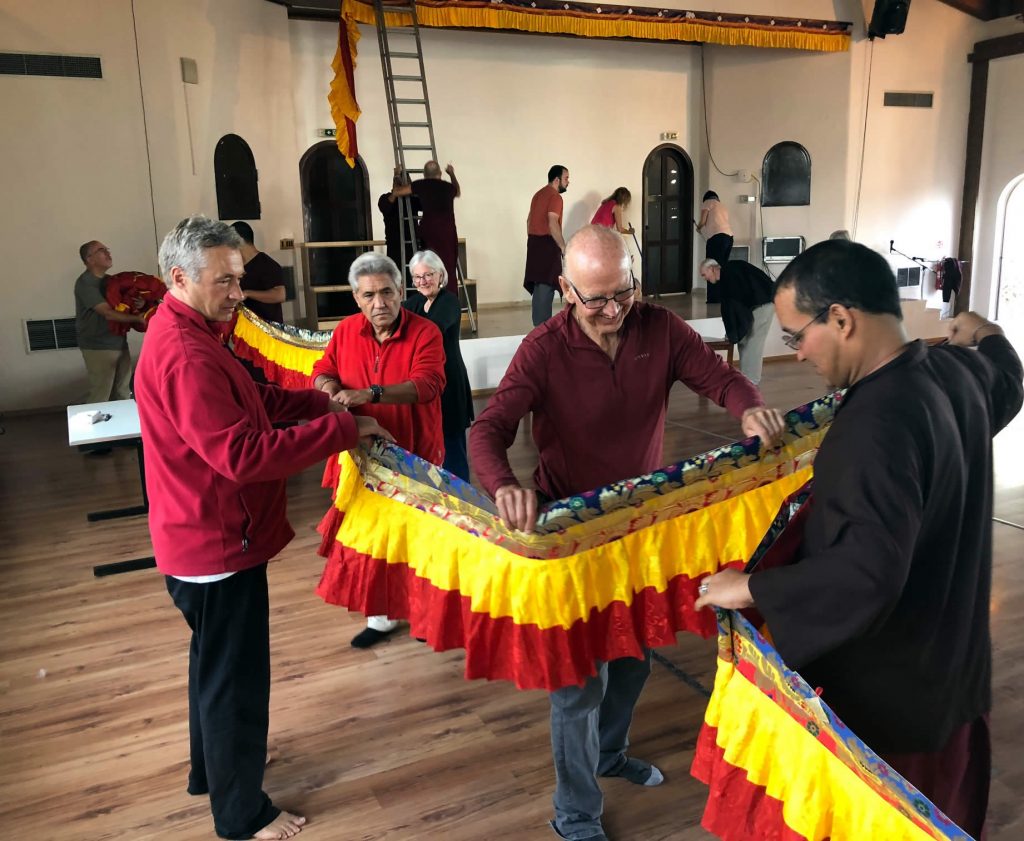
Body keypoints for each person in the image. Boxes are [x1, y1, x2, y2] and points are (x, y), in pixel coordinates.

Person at [694, 239, 1024, 841]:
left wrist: (751, 588)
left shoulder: (871, 425)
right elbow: (1010, 374)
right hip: (955, 684)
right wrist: (988, 329)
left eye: (797, 336)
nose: (797, 354)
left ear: (842, 318)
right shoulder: (957, 371)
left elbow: (865, 573)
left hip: (891, 715)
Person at [471, 224, 786, 841]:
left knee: (635, 662)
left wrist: (747, 403)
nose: (613, 310)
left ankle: (610, 754)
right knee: (577, 687)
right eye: (596, 299)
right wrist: (503, 483)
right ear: (564, 290)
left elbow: (717, 377)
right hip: (571, 535)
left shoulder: (660, 329)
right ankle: (575, 814)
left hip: (640, 530)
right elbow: (488, 428)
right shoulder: (541, 348)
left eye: (623, 293)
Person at [134, 215, 392, 841]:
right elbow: (242, 454)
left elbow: (255, 400)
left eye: (239, 278)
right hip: (216, 543)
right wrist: (342, 430)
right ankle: (242, 813)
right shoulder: (186, 354)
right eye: (224, 281)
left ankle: (213, 770)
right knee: (235, 682)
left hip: (201, 535)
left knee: (212, 666)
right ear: (179, 277)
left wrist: (323, 402)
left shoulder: (192, 329)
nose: (237, 293)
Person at [311, 252, 446, 648]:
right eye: (369, 295)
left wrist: (370, 394)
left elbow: (429, 384)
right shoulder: (346, 330)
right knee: (372, 539)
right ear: (356, 298)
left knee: (418, 540)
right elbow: (323, 369)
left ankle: (424, 617)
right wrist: (328, 389)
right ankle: (381, 617)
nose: (379, 303)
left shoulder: (425, 332)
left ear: (401, 292)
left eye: (387, 292)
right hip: (363, 458)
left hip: (415, 454)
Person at [404, 249, 474, 481]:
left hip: (449, 382)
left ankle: (464, 497)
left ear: (441, 275)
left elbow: (430, 331)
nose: (423, 281)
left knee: (453, 445)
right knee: (428, 442)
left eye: (428, 275)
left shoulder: (449, 301)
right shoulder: (414, 303)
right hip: (425, 382)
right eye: (417, 277)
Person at [74, 240, 146, 405]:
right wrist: (138, 318)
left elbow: (125, 305)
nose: (108, 253)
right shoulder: (86, 283)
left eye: (107, 249)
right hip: (97, 345)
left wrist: (139, 304)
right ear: (90, 259)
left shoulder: (111, 281)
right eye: (101, 250)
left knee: (122, 391)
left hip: (118, 341)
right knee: (101, 394)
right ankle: (95, 430)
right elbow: (107, 313)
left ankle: (121, 430)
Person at [698, 258, 775, 385]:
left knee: (753, 344)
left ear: (711, 269)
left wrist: (733, 333)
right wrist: (734, 333)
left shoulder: (729, 274)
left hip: (763, 305)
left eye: (703, 274)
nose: (704, 278)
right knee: (744, 342)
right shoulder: (728, 274)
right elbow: (733, 307)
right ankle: (745, 379)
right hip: (757, 303)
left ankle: (751, 382)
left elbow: (735, 306)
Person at [392, 161, 460, 294]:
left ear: (424, 175)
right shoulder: (447, 187)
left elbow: (397, 192)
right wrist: (451, 174)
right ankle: (450, 299)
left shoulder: (421, 184)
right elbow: (457, 191)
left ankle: (430, 296)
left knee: (428, 264)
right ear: (440, 174)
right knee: (449, 266)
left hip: (429, 231)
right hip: (448, 231)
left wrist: (396, 175)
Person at [525, 165, 570, 327]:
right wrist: (564, 247)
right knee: (546, 285)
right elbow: (552, 222)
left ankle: (538, 326)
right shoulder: (555, 197)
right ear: (557, 180)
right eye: (566, 178)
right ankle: (543, 329)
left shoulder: (538, 194)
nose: (568, 182)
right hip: (547, 244)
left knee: (539, 286)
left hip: (534, 243)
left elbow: (529, 221)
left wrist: (534, 240)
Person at [230, 222, 285, 325]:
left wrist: (247, 293)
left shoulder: (267, 264)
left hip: (268, 331)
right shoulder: (237, 266)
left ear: (239, 240)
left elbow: (280, 295)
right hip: (248, 329)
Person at [378, 166, 421, 273]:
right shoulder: (385, 198)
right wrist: (396, 181)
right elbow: (386, 206)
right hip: (395, 246)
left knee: (414, 280)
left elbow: (424, 204)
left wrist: (412, 189)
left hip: (413, 245)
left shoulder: (412, 200)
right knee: (396, 280)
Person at [696, 190, 733, 304]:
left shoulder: (708, 202)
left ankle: (713, 298)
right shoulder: (722, 206)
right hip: (729, 238)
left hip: (716, 239)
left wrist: (699, 227)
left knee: (710, 267)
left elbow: (703, 220)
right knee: (721, 268)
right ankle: (723, 296)